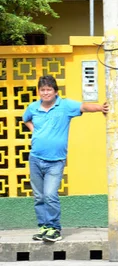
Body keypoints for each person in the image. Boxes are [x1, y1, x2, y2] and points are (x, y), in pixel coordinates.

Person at [22, 75, 109, 242]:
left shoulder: (65, 105)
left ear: (55, 91)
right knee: (39, 196)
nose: (45, 93)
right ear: (39, 92)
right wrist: (35, 131)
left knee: (50, 195)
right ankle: (44, 227)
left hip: (55, 161)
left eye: (49, 90)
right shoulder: (33, 107)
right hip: (35, 158)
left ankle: (54, 228)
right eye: (42, 90)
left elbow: (84, 107)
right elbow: (25, 119)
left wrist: (100, 108)